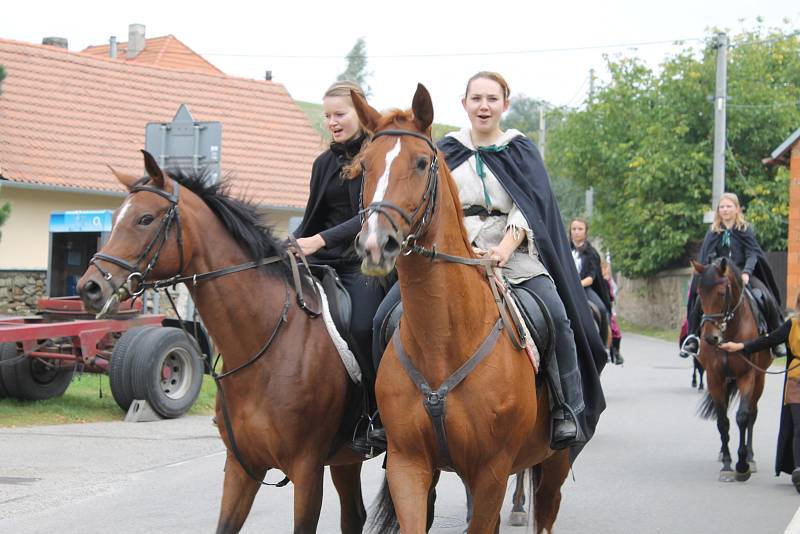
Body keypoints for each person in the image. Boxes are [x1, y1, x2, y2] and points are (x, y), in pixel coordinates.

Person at [434, 71, 607, 450]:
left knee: (556, 314)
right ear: (464, 104)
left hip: (510, 249)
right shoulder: (445, 150)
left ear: (505, 106)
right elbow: (437, 206)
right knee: (388, 313)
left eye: (492, 99)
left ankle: (566, 407)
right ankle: (385, 414)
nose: (483, 106)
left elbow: (530, 205)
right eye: (476, 98)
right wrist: (462, 245)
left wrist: (502, 251)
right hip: (454, 249)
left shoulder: (519, 149)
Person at [292, 80, 389, 450]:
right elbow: (311, 219)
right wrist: (289, 245)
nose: (332, 122)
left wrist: (320, 240)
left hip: (363, 263)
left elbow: (371, 215)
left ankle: (377, 413)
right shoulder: (323, 163)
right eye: (327, 116)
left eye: (340, 114)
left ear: (360, 114)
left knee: (364, 326)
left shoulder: (377, 156)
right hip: (320, 261)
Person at [680, 192, 783, 358]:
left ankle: (775, 336)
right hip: (718, 276)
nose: (725, 210)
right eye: (722, 207)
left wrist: (747, 272)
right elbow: (708, 255)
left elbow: (752, 253)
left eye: (729, 206)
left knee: (763, 294)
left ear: (737, 209)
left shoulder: (745, 229)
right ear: (718, 210)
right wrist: (713, 269)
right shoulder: (713, 231)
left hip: (742, 274)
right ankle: (693, 337)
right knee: (699, 298)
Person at [718, 293, 800, 493]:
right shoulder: (793, 324)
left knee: (765, 295)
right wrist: (741, 346)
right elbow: (769, 340)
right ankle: (799, 469)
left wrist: (747, 271)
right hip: (797, 380)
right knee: (799, 426)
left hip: (750, 272)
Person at [570, 218, 612, 353]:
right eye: (574, 229)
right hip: (565, 287)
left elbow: (591, 277)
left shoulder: (592, 253)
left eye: (580, 229)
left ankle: (603, 346)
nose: (576, 232)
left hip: (584, 288)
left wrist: (576, 285)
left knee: (602, 309)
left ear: (586, 232)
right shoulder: (563, 249)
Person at [602, 259, 624, 365]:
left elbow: (612, 295)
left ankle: (616, 352)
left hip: (609, 309)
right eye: (604, 269)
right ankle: (607, 349)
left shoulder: (609, 281)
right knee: (612, 329)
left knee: (616, 332)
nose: (607, 271)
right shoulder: (602, 281)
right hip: (605, 307)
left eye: (607, 269)